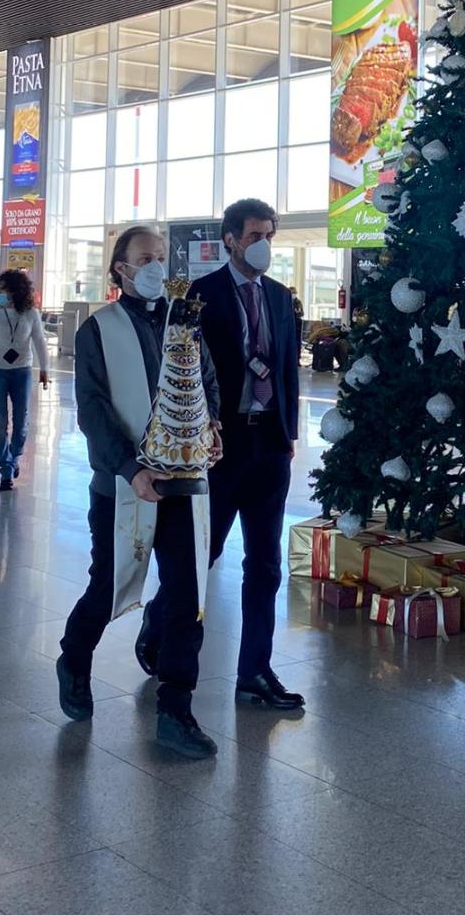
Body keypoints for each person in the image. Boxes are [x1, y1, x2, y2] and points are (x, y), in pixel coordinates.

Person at [57, 224, 223, 757]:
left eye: (160, 257)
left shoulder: (185, 324)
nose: (156, 266)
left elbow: (207, 384)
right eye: (145, 258)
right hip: (124, 485)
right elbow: (93, 408)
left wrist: (211, 426)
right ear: (121, 269)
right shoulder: (98, 329)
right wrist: (131, 468)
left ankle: (176, 708)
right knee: (109, 585)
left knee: (185, 596)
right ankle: (74, 657)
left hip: (185, 483)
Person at [179, 197, 304, 711]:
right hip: (219, 446)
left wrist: (289, 434)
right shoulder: (198, 296)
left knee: (266, 564)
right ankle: (161, 627)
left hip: (268, 445)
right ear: (229, 239)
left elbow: (288, 368)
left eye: (270, 236)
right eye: (254, 236)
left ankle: (254, 670)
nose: (263, 245)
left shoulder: (279, 296)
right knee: (202, 555)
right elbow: (183, 372)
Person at [0, 269, 49, 491]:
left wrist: (45, 369)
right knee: (0, 421)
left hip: (21, 371)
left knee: (21, 421)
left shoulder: (31, 314)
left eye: (3, 290)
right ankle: (5, 468)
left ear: (16, 291)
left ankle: (15, 457)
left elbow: (40, 342)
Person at [290, 287, 304, 359]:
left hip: (297, 322)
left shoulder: (298, 302)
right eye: (292, 293)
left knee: (297, 341)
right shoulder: (286, 301)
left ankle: (297, 357)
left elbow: (302, 313)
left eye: (294, 293)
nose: (293, 294)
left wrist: (297, 312)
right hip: (289, 323)